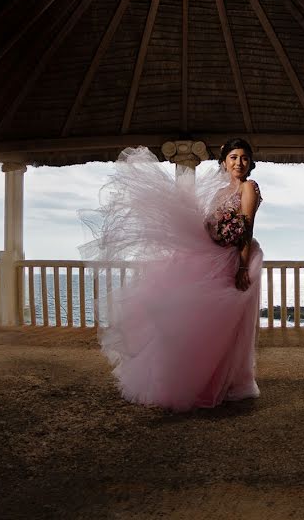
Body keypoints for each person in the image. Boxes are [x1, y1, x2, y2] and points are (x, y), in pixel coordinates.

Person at [80, 138, 263, 412]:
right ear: (224, 162)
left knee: (230, 323)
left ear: (250, 163)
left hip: (239, 257)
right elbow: (211, 224)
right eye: (234, 157)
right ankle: (206, 378)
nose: (239, 162)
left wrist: (240, 266)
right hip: (216, 256)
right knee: (205, 320)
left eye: (244, 158)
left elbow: (246, 229)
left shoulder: (249, 187)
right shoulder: (220, 192)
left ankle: (230, 381)